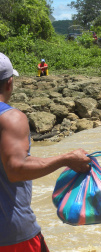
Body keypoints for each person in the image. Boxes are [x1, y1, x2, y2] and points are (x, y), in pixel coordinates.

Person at [0, 53, 91, 250]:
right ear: (9, 83)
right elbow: (16, 169)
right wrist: (66, 159)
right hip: (11, 235)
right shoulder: (10, 118)